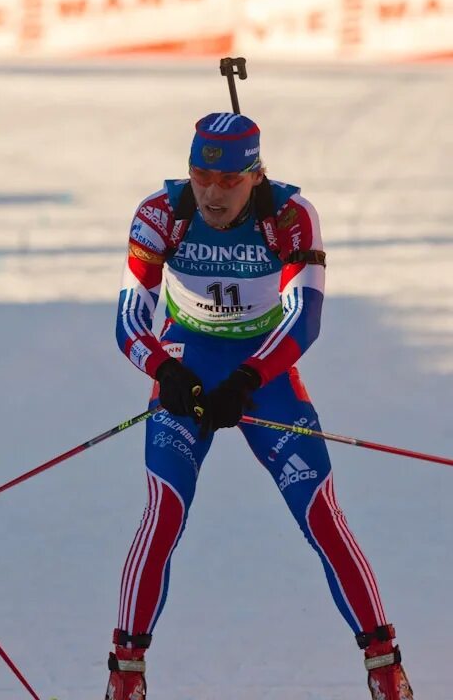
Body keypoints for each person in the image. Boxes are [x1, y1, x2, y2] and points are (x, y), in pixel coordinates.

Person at [108, 113, 413, 700]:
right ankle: (125, 674)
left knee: (320, 513)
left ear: (256, 175)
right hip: (187, 364)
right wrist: (164, 370)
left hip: (263, 371)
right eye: (200, 175)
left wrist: (248, 377)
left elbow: (304, 317)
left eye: (228, 181)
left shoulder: (289, 217)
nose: (212, 193)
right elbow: (128, 318)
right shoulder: (161, 213)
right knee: (163, 512)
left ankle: (385, 668)